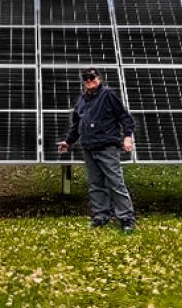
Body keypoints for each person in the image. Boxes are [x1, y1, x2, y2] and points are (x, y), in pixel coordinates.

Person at [57, 66, 136, 233]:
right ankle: (101, 216)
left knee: (116, 183)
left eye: (92, 77)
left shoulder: (107, 95)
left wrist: (127, 137)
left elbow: (124, 117)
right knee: (95, 184)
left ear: (98, 78)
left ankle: (126, 218)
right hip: (88, 148)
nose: (89, 81)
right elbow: (77, 124)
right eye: (86, 78)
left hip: (107, 147)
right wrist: (68, 142)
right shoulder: (82, 100)